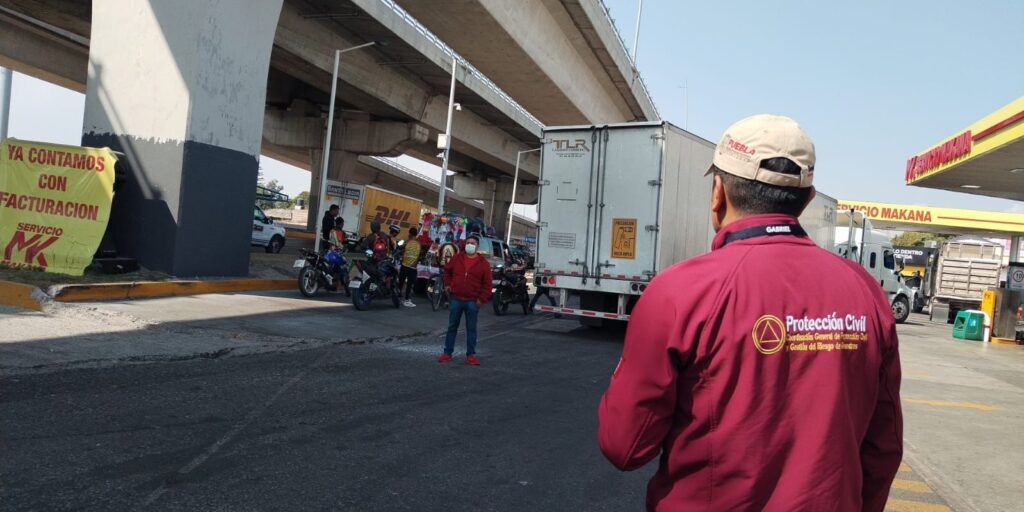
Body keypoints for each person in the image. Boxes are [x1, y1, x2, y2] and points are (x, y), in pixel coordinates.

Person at [598, 115, 902, 511]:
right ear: (808, 198)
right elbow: (883, 447)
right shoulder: (865, 292)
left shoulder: (679, 292)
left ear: (718, 193)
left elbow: (625, 446)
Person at [438, 234, 492, 365]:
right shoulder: (458, 258)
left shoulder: (483, 264)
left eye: (473, 243)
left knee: (471, 329)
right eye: (468, 243)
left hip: (472, 301)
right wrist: (448, 285)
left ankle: (471, 355)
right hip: (456, 298)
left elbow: (488, 285)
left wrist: (481, 299)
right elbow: (447, 271)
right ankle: (447, 353)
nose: (470, 245)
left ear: (477, 246)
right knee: (452, 327)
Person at [398, 227, 423, 307]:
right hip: (412, 267)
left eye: (409, 233)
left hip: (404, 265)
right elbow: (419, 256)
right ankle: (407, 300)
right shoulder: (418, 243)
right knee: (409, 284)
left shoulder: (407, 242)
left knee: (401, 282)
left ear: (410, 234)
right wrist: (415, 263)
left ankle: (398, 298)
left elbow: (402, 251)